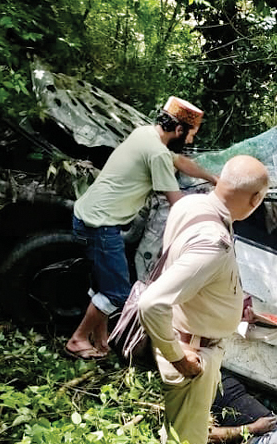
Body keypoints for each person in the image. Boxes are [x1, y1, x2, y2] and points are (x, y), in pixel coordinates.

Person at [138, 155, 269, 444]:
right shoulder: (214, 241)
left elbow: (190, 270)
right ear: (255, 200)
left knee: (181, 426)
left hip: (192, 334)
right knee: (190, 436)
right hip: (191, 348)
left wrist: (235, 300)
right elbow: (151, 302)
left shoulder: (193, 204)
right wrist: (178, 355)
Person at [65, 97, 216, 360]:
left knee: (105, 282)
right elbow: (177, 204)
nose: (190, 141)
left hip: (88, 216)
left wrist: (213, 178)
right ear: (179, 130)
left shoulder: (145, 134)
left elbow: (179, 162)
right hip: (100, 226)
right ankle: (77, 340)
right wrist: (207, 213)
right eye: (191, 134)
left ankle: (100, 341)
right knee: (118, 292)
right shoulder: (157, 154)